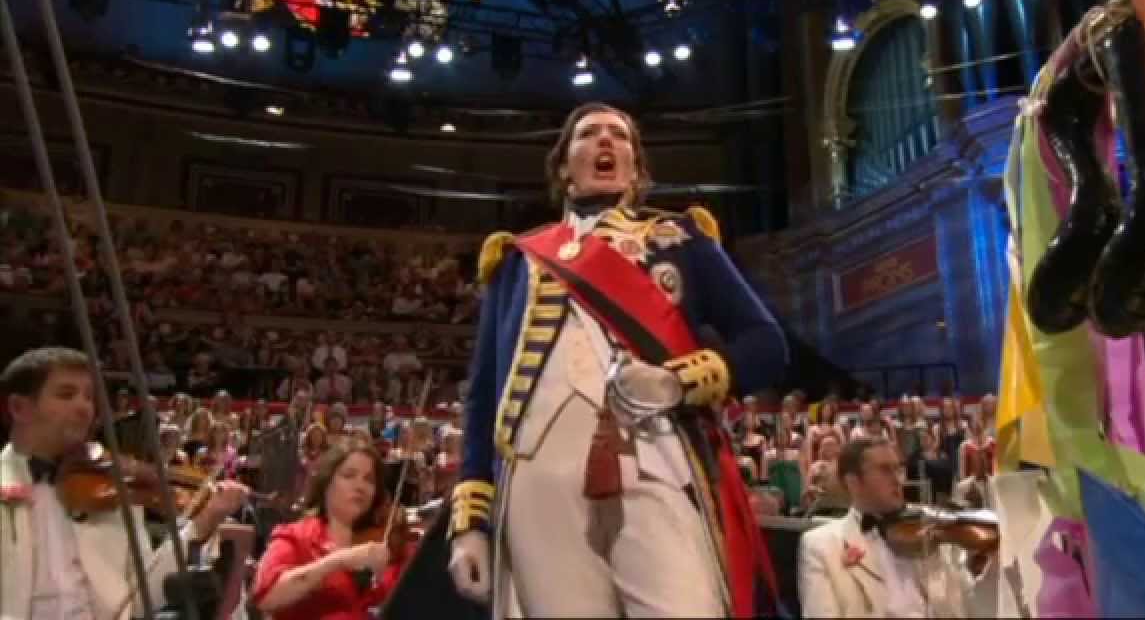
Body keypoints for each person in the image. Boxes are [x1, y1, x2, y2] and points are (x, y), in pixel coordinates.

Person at [447, 102, 787, 618]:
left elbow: (765, 344)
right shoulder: (517, 260)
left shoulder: (681, 240)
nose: (605, 141)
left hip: (656, 456)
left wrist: (678, 382)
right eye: (588, 134)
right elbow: (483, 397)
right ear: (564, 165)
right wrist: (470, 523)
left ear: (636, 169)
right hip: (538, 474)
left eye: (619, 135)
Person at [0, 346, 247, 619]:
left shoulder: (112, 489)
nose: (84, 407)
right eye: (66, 395)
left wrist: (204, 521)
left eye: (89, 396)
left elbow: (141, 596)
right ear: (19, 408)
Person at [798, 437, 993, 618]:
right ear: (853, 482)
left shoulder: (930, 531)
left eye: (898, 469)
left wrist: (997, 560)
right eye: (885, 470)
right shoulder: (820, 546)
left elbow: (975, 607)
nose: (898, 480)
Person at [252, 445, 407, 620]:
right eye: (349, 475)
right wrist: (339, 561)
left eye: (369, 480)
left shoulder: (387, 543)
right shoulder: (296, 536)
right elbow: (267, 597)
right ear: (326, 483)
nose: (360, 486)